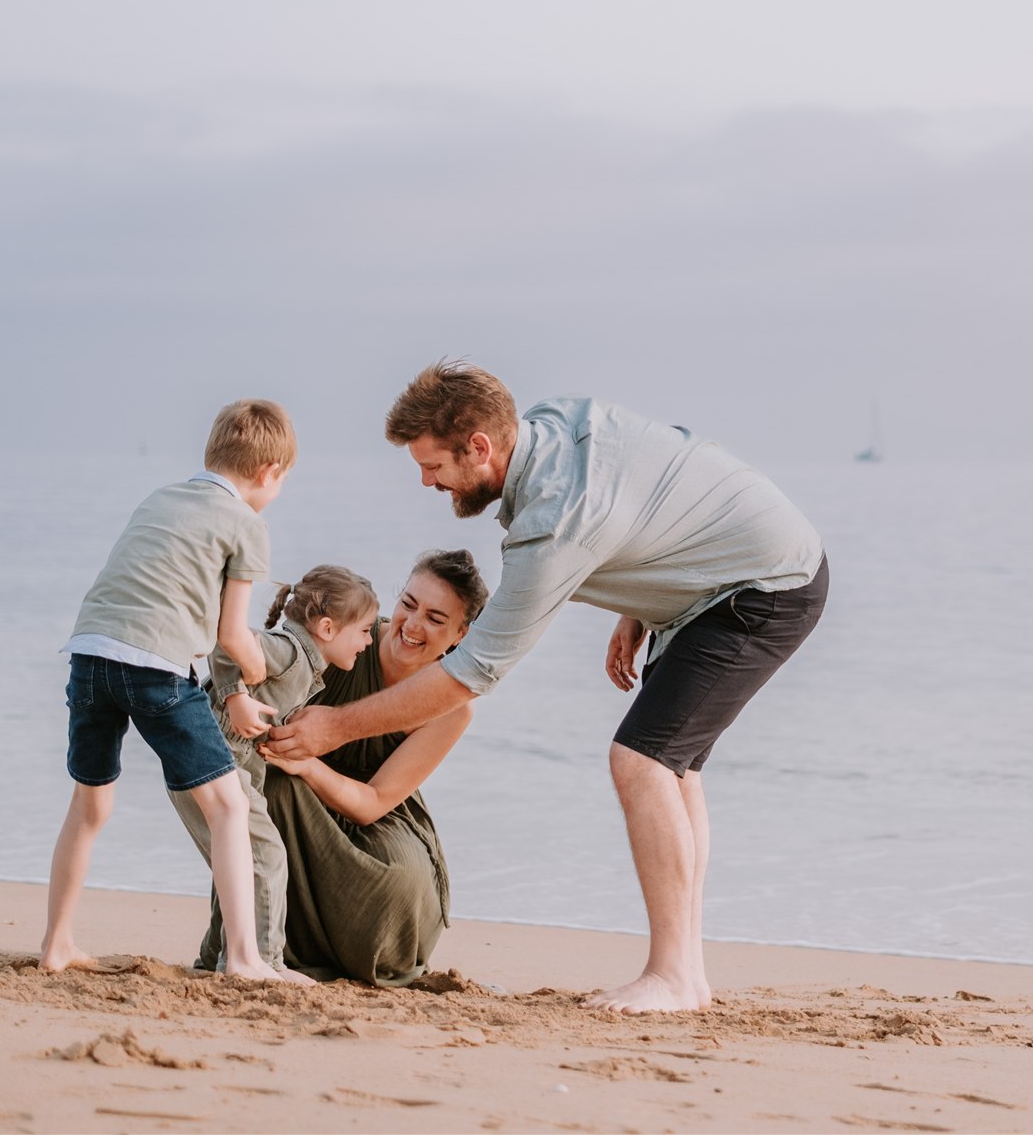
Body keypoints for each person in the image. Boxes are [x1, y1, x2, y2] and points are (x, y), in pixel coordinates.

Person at [266, 362, 827, 1013]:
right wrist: (641, 595)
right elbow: (666, 455)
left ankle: (673, 974)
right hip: (723, 583)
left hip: (766, 585)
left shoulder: (552, 524)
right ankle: (688, 973)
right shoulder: (556, 421)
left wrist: (333, 727)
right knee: (676, 769)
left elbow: (470, 673)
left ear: (480, 445)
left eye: (433, 465)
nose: (425, 480)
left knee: (642, 760)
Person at [38, 398, 311, 986]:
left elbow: (164, 593)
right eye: (282, 482)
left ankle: (57, 943)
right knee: (231, 806)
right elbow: (232, 632)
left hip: (90, 656)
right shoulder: (248, 524)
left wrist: (233, 681)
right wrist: (259, 670)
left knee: (90, 806)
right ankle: (244, 959)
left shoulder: (159, 499)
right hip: (154, 669)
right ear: (270, 474)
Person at [256, 548, 489, 986]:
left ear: (462, 634)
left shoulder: (453, 706)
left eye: (436, 619)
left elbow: (374, 803)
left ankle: (361, 949)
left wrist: (309, 765)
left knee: (397, 883)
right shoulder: (346, 638)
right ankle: (267, 946)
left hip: (378, 813)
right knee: (273, 788)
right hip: (293, 790)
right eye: (408, 604)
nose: (413, 626)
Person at [170, 563, 380, 975]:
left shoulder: (304, 664)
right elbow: (225, 639)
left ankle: (216, 958)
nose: (370, 642)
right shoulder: (287, 652)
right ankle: (262, 962)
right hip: (211, 763)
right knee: (265, 855)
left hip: (204, 762)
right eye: (365, 630)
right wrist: (233, 696)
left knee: (237, 862)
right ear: (326, 627)